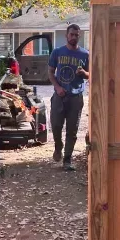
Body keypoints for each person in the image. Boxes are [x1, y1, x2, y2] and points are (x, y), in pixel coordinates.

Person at [48, 24, 89, 171]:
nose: (74, 37)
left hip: (76, 97)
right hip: (59, 96)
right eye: (71, 34)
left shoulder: (85, 54)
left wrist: (84, 73)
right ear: (66, 35)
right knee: (56, 126)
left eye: (76, 35)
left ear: (79, 36)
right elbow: (51, 72)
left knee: (72, 130)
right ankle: (58, 146)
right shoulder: (57, 52)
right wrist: (58, 88)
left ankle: (67, 159)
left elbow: (91, 74)